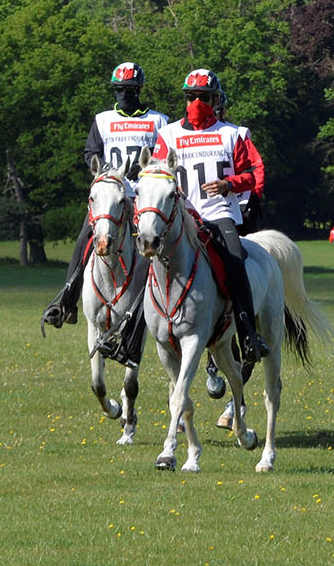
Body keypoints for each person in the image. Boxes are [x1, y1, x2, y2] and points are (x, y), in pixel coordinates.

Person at [97, 68, 270, 368]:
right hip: (182, 216)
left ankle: (248, 335)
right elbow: (156, 172)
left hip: (218, 214)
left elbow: (252, 174)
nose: (197, 103)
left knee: (234, 260)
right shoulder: (168, 134)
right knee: (147, 268)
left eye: (204, 97)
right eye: (191, 97)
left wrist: (228, 184)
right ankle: (130, 342)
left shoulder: (231, 134)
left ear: (215, 100)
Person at [39, 62, 170, 331]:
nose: (125, 93)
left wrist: (144, 167)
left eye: (130, 89)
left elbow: (164, 154)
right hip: (110, 198)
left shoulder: (159, 121)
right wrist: (106, 169)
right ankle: (67, 302)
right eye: (120, 89)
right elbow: (90, 153)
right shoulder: (102, 120)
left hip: (144, 199)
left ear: (139, 90)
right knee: (84, 240)